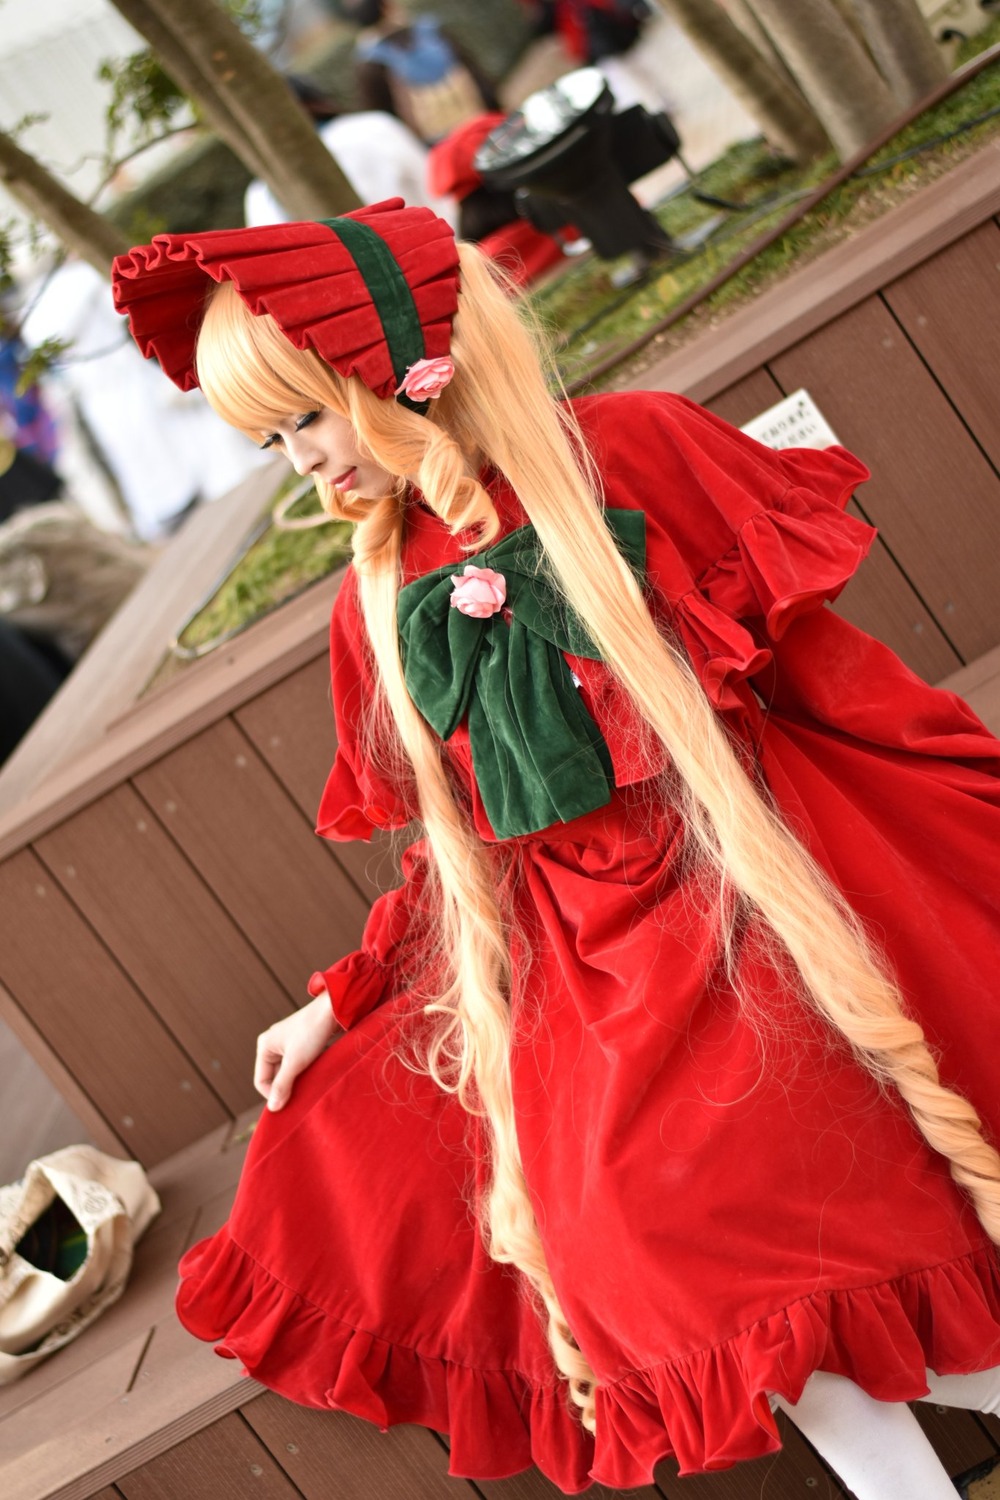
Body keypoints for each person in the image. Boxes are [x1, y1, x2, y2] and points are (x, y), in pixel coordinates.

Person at [112, 201, 1000, 1500]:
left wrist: (954, 803)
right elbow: (452, 854)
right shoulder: (379, 595)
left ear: (396, 366)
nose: (299, 463)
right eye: (272, 439)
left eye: (305, 416)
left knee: (749, 1222)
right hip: (596, 969)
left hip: (763, 892)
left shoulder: (626, 457)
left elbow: (826, 680)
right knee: (647, 1255)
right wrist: (337, 998)